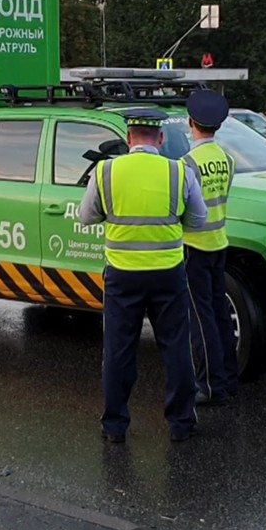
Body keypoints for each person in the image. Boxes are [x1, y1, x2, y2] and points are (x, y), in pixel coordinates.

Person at [80, 108, 207, 444]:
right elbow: (198, 221)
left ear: (128, 139)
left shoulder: (106, 170)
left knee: (119, 351)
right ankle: (181, 423)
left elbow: (86, 216)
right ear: (161, 139)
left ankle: (115, 426)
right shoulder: (179, 172)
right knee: (176, 348)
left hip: (122, 276)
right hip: (168, 274)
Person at [181, 91, 238, 406]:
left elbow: (185, 209)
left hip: (194, 247)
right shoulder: (227, 159)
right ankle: (229, 380)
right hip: (220, 242)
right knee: (219, 314)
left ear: (191, 123)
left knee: (200, 319)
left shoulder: (187, 163)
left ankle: (208, 385)